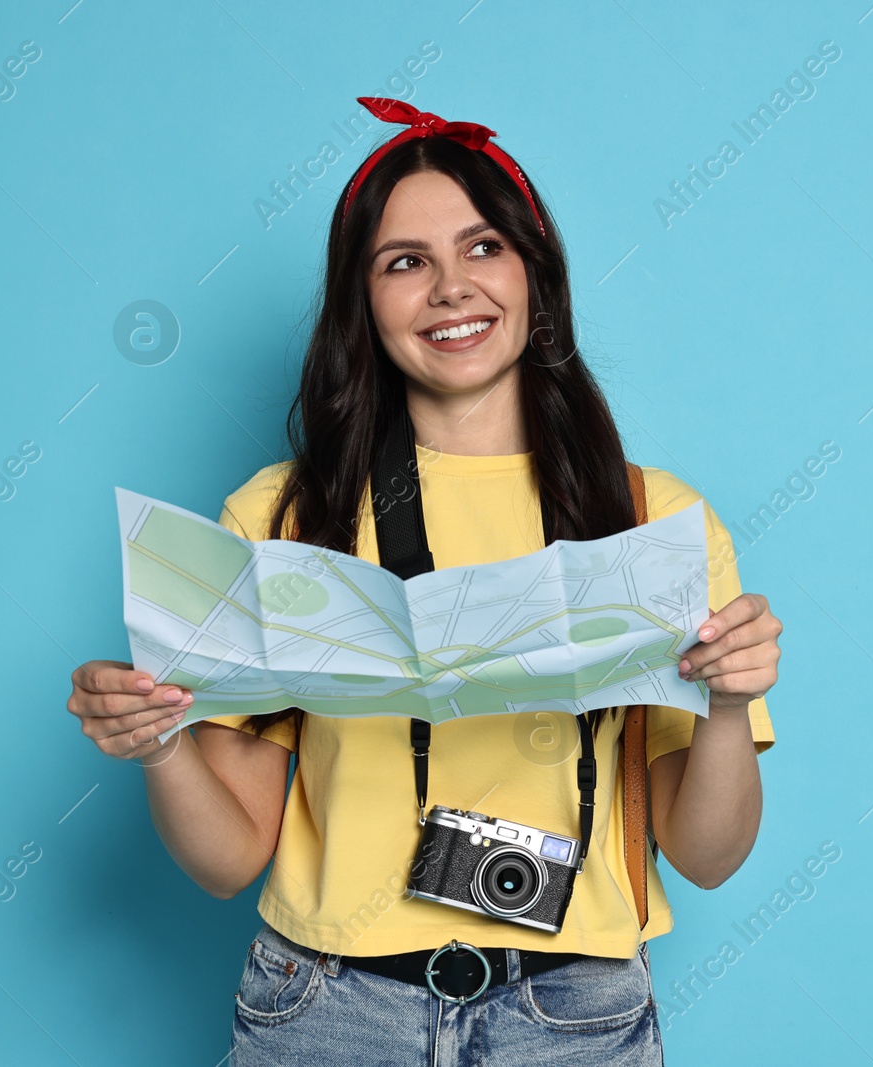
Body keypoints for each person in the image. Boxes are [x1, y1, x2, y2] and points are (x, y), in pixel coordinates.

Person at [65, 98, 780, 1065]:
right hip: (326, 1009)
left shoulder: (652, 518)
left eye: (483, 248)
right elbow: (228, 858)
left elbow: (708, 854)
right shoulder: (284, 518)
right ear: (362, 301)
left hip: (572, 1015)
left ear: (537, 275)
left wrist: (731, 705)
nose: (451, 288)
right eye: (405, 262)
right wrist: (154, 742)